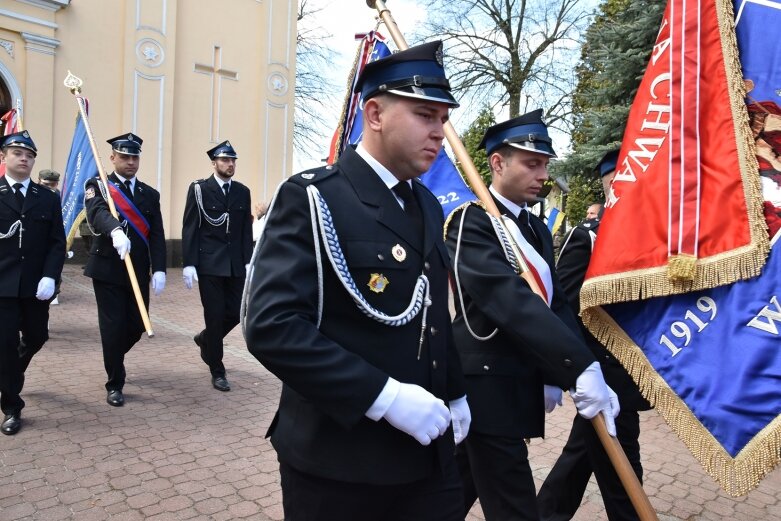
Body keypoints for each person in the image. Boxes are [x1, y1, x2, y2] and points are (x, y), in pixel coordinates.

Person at [244, 41, 470, 521]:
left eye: (442, 119)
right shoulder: (312, 198)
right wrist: (384, 398)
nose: (439, 132)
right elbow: (272, 325)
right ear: (375, 114)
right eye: (426, 115)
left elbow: (431, 313)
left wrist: (455, 390)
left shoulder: (426, 204)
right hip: (340, 462)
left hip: (428, 455)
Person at [444, 111, 620, 521]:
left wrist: (575, 366)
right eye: (532, 163)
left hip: (515, 384)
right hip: (484, 385)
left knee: (451, 493)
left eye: (545, 164)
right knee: (516, 507)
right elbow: (507, 299)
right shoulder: (471, 222)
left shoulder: (537, 229)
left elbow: (555, 303)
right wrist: (575, 365)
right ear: (498, 163)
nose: (543, 174)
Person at [537, 150, 651, 521]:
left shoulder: (649, 237)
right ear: (610, 185)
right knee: (621, 464)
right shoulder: (588, 237)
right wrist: (577, 369)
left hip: (630, 369)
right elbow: (565, 304)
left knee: (584, 453)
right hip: (601, 373)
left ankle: (546, 513)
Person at [83, 132, 167, 407]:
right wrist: (115, 230)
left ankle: (113, 356)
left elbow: (156, 234)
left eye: (135, 157)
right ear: (112, 158)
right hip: (107, 268)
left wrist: (160, 269)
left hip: (138, 270)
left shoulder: (149, 194)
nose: (130, 162)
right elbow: (96, 211)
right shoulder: (99, 185)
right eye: (124, 156)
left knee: (137, 325)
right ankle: (115, 382)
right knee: (112, 327)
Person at [0, 131, 65, 435]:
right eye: (17, 153)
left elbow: (56, 241)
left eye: (29, 155)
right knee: (5, 345)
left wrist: (51, 276)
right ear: (4, 158)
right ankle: (12, 406)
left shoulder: (47, 198)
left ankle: (12, 373)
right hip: (2, 286)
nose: (24, 158)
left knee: (37, 337)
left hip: (36, 286)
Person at [181, 140, 252, 391]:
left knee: (236, 312)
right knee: (214, 316)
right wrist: (188, 263)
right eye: (224, 160)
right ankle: (217, 369)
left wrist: (248, 260)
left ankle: (205, 339)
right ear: (214, 163)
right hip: (209, 264)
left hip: (234, 265)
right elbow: (190, 227)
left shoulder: (242, 191)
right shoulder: (200, 189)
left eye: (233, 160)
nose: (230, 164)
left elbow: (245, 230)